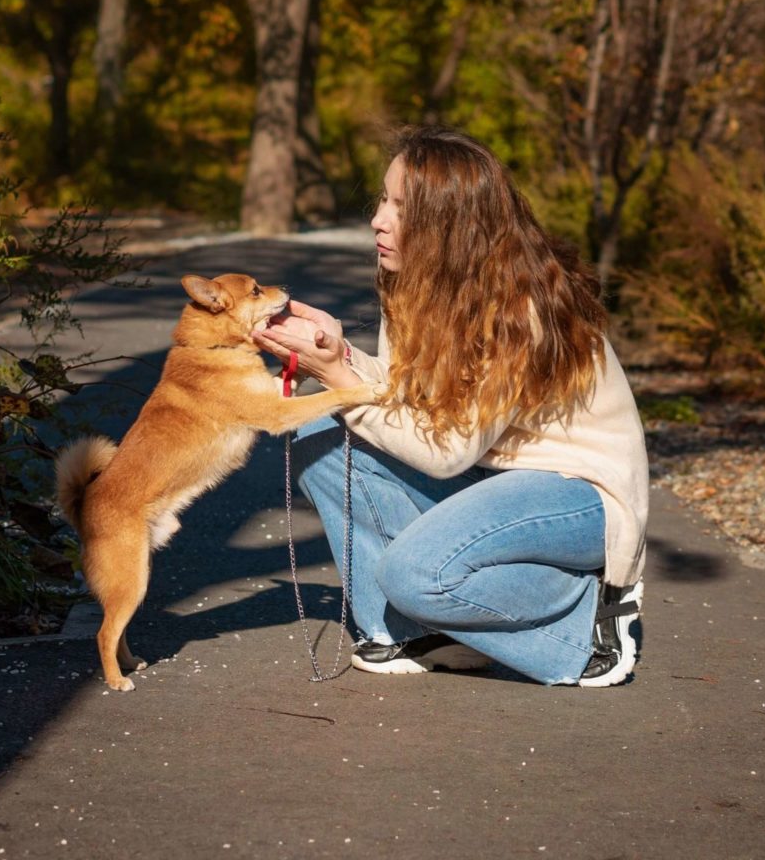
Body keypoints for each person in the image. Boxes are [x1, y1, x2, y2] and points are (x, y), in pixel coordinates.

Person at [253, 126, 649, 687]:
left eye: (400, 207)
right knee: (320, 425)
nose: (379, 219)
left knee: (416, 573)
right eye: (383, 199)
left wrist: (336, 373)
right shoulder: (417, 283)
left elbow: (444, 453)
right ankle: (413, 633)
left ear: (449, 226)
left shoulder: (519, 309)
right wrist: (338, 356)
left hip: (582, 497)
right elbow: (409, 403)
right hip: (496, 475)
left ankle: (587, 622)